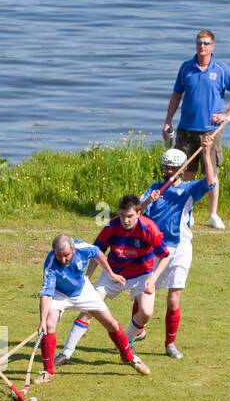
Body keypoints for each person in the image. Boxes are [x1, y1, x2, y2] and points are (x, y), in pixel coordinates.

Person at [54, 195, 171, 364]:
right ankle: (66, 353)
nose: (125, 220)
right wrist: (87, 277)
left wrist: (153, 278)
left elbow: (165, 256)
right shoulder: (111, 227)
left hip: (143, 274)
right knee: (88, 310)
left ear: (139, 213)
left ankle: (126, 342)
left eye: (130, 216)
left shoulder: (149, 228)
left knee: (146, 312)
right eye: (122, 215)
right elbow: (96, 252)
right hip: (113, 273)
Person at [136, 136, 217, 357]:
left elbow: (210, 182)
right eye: (166, 168)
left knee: (173, 297)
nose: (169, 172)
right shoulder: (154, 188)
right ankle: (137, 330)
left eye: (173, 168)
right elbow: (135, 215)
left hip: (180, 248)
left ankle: (170, 344)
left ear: (181, 170)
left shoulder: (190, 189)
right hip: (154, 249)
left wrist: (206, 153)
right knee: (143, 292)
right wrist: (146, 202)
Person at [36, 233, 150, 382]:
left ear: (73, 249)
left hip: (83, 290)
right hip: (59, 294)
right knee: (49, 324)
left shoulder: (82, 248)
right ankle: (48, 372)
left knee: (111, 323)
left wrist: (111, 274)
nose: (63, 260)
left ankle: (128, 357)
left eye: (66, 256)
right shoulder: (51, 264)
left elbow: (98, 253)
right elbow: (46, 294)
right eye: (59, 256)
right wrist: (42, 320)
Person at [162, 29, 230, 229]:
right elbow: (176, 95)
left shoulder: (221, 69)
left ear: (212, 46)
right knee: (186, 173)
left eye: (206, 43)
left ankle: (213, 215)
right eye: (199, 43)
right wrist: (167, 121)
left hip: (210, 131)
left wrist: (226, 114)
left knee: (211, 173)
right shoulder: (186, 68)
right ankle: (187, 213)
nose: (202, 47)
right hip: (186, 129)